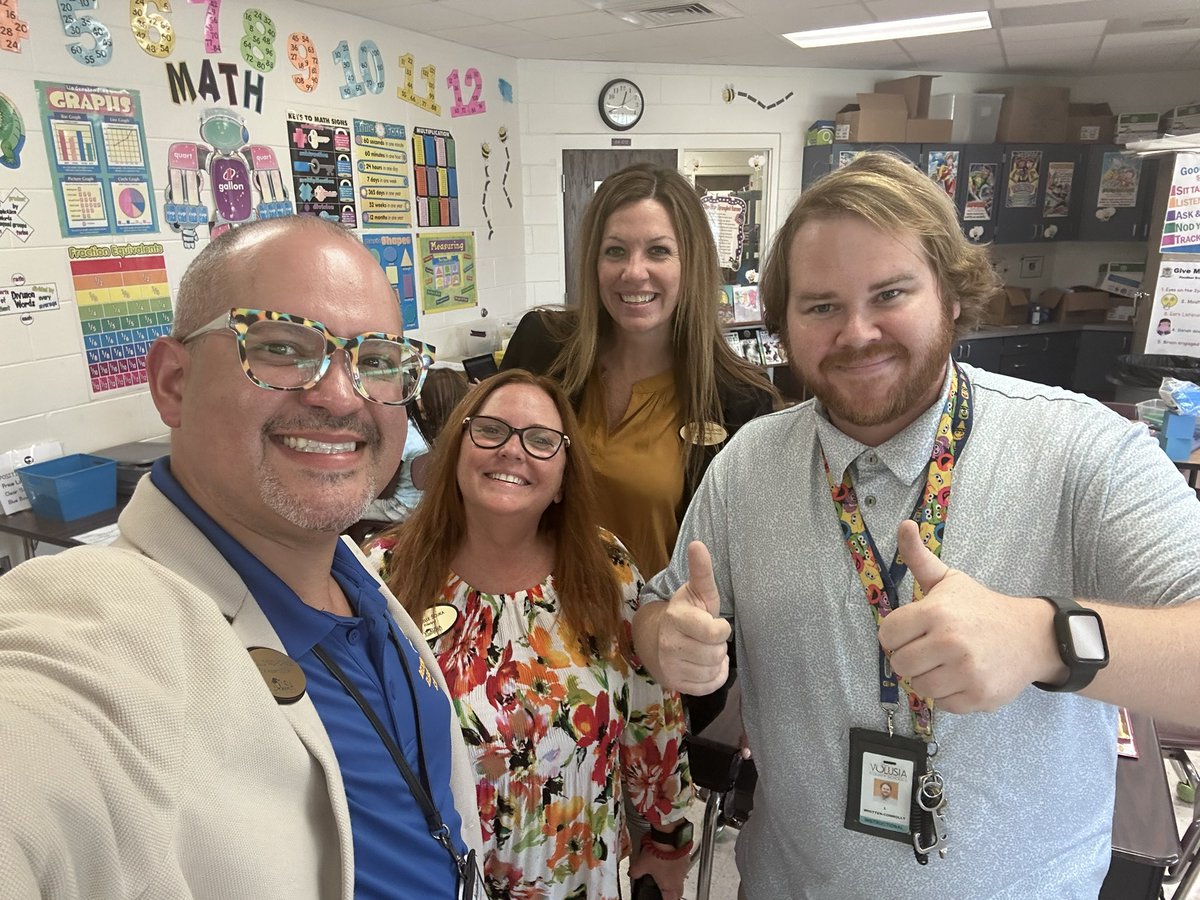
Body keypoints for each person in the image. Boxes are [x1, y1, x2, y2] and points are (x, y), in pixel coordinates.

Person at [633, 152, 1200, 899]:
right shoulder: (748, 467)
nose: (857, 332)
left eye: (890, 292)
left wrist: (1044, 638)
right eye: (820, 305)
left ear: (953, 294)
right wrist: (663, 636)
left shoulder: (1078, 451)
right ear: (784, 324)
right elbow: (659, 610)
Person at [0, 216, 483, 899]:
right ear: (173, 382)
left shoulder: (352, 574)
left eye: (376, 360)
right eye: (283, 346)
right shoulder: (96, 638)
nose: (342, 395)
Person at [365, 369, 693, 900]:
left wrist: (667, 834)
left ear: (564, 477)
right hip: (429, 882)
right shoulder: (384, 574)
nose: (512, 451)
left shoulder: (605, 568)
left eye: (541, 440)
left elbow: (653, 714)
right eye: (491, 430)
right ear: (456, 451)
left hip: (578, 878)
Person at [500, 162, 777, 582]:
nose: (633, 272)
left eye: (658, 251)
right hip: (532, 616)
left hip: (654, 634)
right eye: (615, 250)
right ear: (594, 262)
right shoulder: (542, 345)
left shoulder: (741, 402)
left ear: (692, 263)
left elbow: (742, 561)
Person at [361, 366, 470, 524]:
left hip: (402, 508)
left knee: (348, 507)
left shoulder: (408, 433)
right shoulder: (457, 433)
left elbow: (385, 491)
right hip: (431, 507)